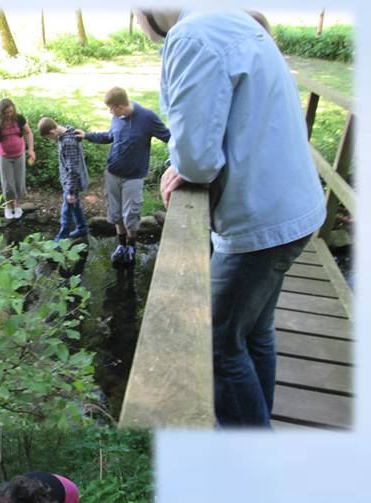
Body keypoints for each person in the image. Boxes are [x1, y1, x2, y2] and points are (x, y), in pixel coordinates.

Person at [135, 10, 326, 427]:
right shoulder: (229, 18)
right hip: (293, 207)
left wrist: (183, 167)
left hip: (260, 222)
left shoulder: (192, 35)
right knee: (255, 331)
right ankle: (260, 423)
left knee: (217, 345)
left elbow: (197, 159)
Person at [76, 87, 170, 266]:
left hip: (134, 177)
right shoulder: (116, 118)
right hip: (113, 173)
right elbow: (110, 136)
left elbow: (169, 138)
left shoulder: (147, 117)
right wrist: (87, 135)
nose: (110, 112)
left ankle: (131, 246)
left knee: (131, 214)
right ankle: (121, 245)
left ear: (119, 106)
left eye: (111, 109)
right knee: (115, 213)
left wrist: (179, 160)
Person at [38, 116, 90, 241]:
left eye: (50, 138)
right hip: (69, 181)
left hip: (73, 183)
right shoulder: (64, 133)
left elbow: (73, 169)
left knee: (66, 211)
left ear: (52, 132)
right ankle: (82, 228)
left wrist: (71, 191)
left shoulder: (68, 142)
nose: (52, 140)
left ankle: (61, 239)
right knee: (75, 205)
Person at [0, 98, 36, 220]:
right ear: (1, 112)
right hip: (4, 156)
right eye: (6, 113)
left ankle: (17, 204)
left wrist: (30, 150)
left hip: (19, 154)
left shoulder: (19, 118)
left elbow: (29, 133)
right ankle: (8, 206)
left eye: (11, 112)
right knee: (8, 184)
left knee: (19, 182)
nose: (9, 114)